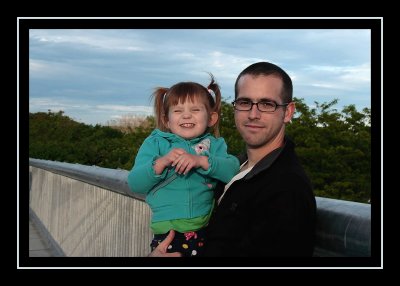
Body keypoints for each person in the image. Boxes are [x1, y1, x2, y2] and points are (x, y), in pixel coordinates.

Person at [148, 61, 317, 257]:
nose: (253, 114)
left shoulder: (287, 189)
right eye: (245, 103)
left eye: (266, 104)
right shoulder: (235, 167)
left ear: (287, 112)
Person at [127, 74, 240, 257]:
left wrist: (202, 161)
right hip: (168, 234)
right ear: (166, 120)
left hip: (206, 229)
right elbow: (135, 183)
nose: (186, 115)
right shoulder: (156, 143)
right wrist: (162, 162)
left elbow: (233, 170)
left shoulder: (215, 144)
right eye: (178, 111)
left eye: (195, 109)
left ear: (211, 118)